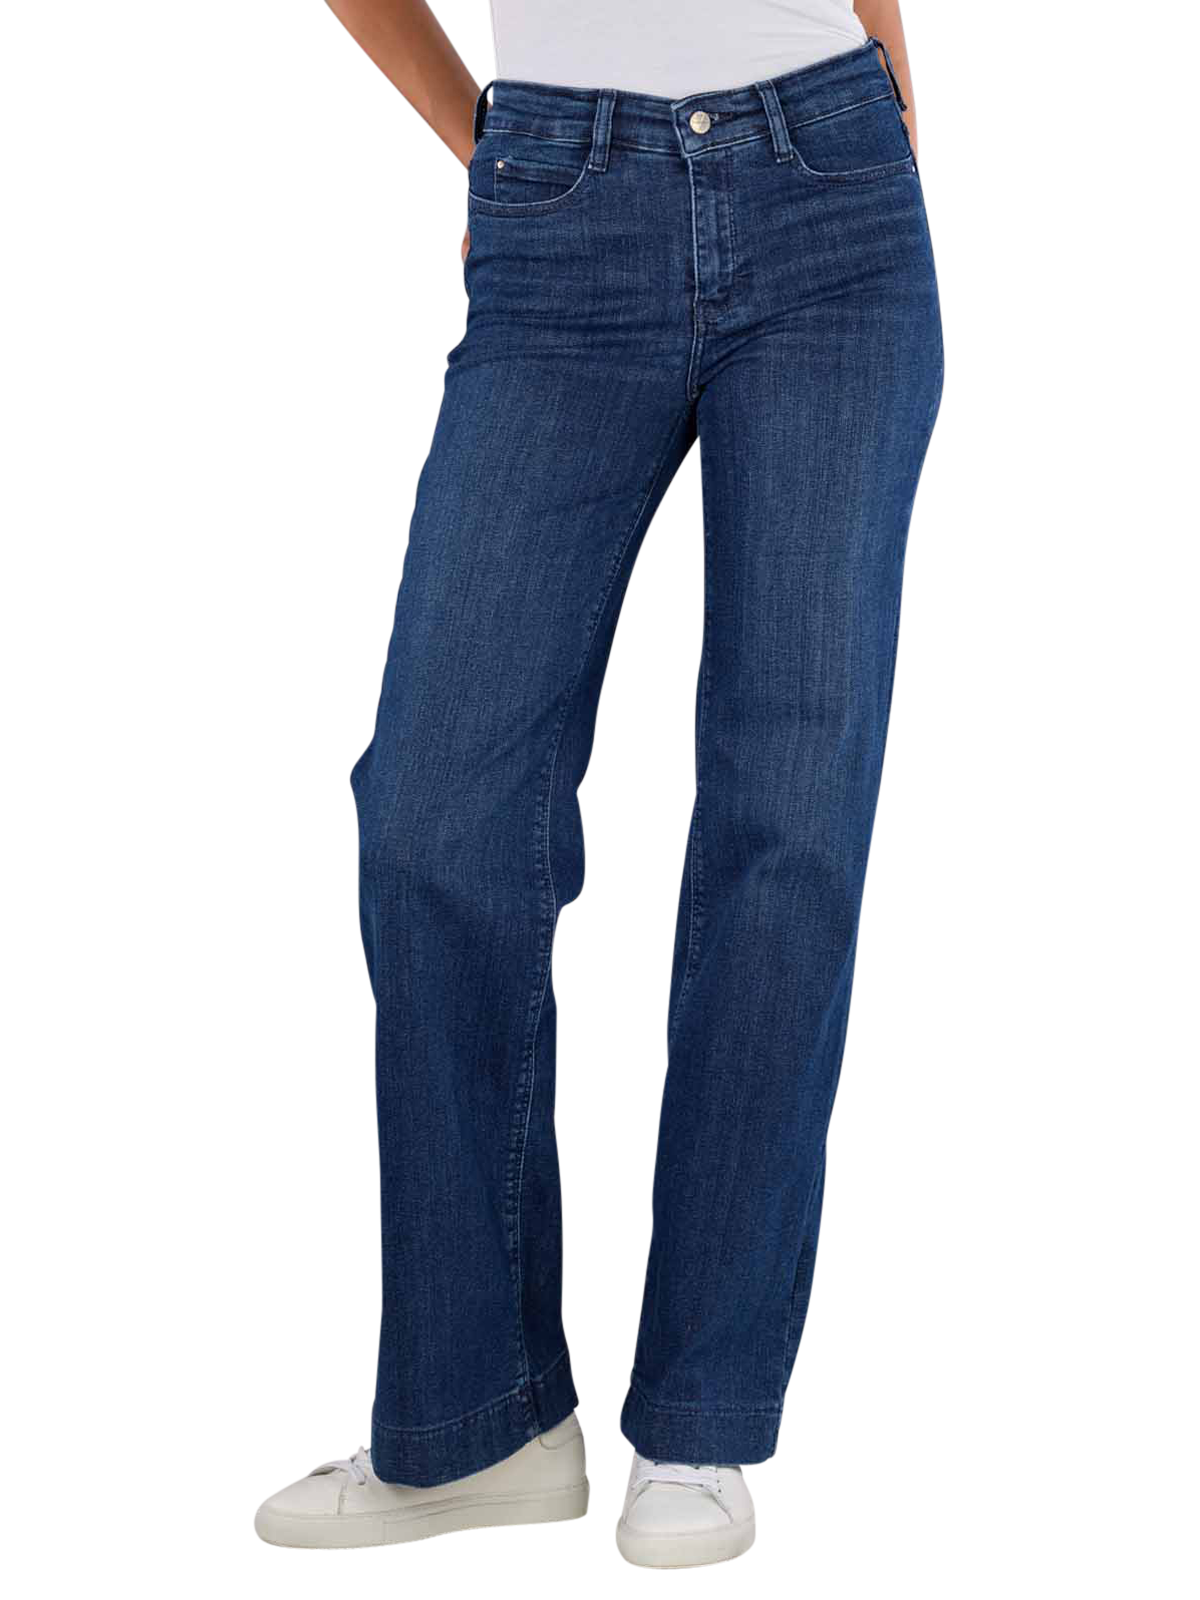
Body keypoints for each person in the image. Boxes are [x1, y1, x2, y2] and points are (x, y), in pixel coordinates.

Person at [257, 0, 942, 1568]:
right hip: (557, 208)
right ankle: (480, 1424)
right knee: (431, 816)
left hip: (831, 192)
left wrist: (885, 96)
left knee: (786, 813)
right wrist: (489, 142)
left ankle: (701, 1423)